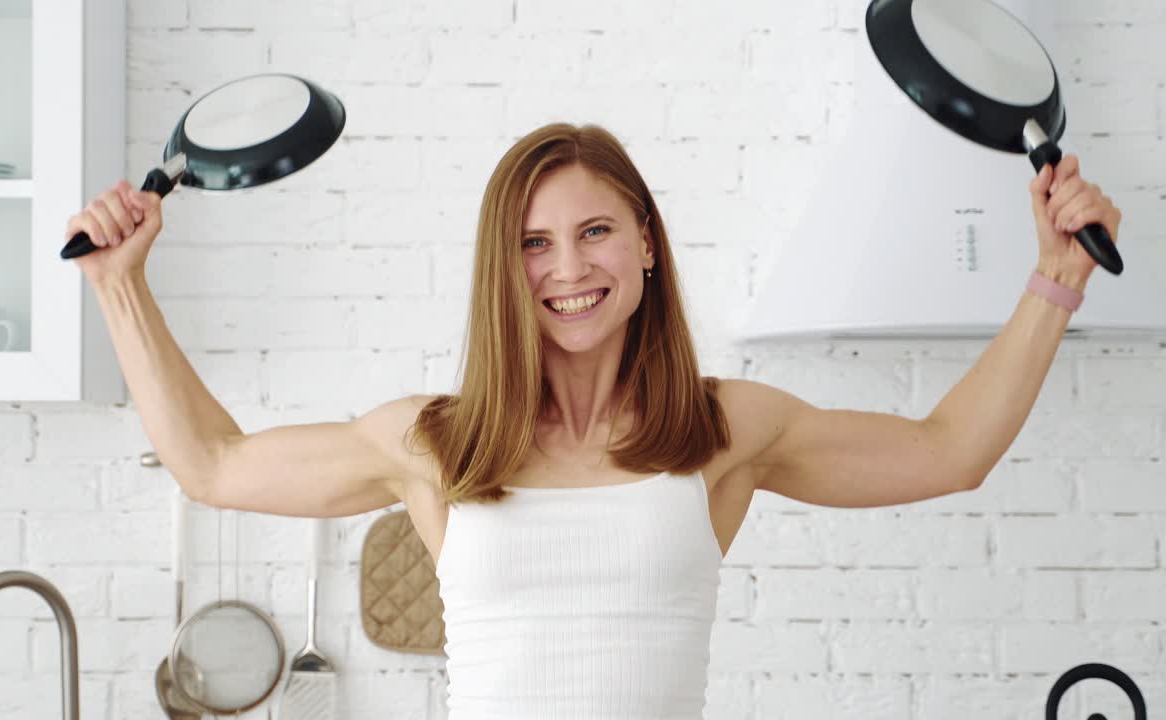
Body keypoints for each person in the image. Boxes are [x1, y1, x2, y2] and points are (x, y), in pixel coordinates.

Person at [66, 123, 1122, 718]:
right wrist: (119, 287)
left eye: (595, 231)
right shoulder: (433, 442)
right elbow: (213, 463)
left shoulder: (723, 430)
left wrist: (1055, 279)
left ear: (646, 244)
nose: (567, 268)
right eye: (533, 243)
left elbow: (948, 452)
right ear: (503, 265)